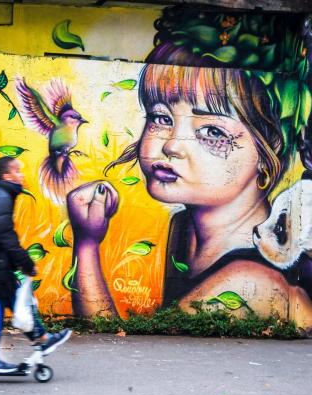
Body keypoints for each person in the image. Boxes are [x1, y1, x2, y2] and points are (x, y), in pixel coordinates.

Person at [65, 9, 312, 325]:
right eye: (161, 117)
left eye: (213, 131)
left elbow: (131, 348)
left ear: (269, 151)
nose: (171, 145)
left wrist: (86, 245)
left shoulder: (248, 282)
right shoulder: (185, 227)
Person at [0, 156, 71, 373]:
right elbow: (6, 236)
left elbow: (1, 237)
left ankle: (42, 338)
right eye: (17, 171)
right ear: (7, 176)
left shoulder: (3, 195)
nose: (21, 175)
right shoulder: (1, 197)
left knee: (16, 302)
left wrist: (19, 263)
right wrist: (25, 262)